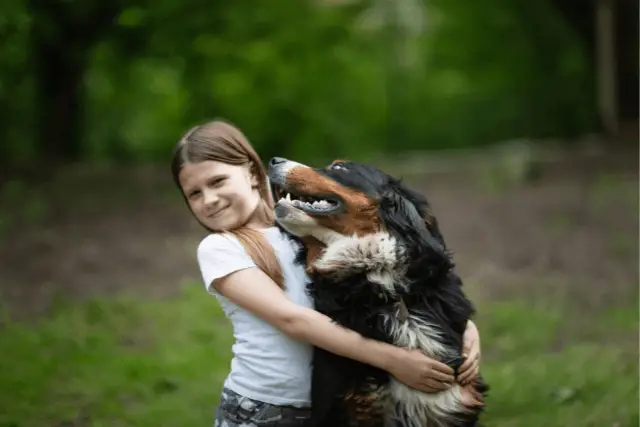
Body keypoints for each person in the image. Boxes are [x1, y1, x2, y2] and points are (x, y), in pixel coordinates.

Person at [171, 119, 482, 427]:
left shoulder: (300, 230)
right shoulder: (219, 248)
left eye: (217, 182)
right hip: (258, 410)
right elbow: (292, 320)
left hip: (321, 402)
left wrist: (463, 328)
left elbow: (384, 289)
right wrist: (393, 360)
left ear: (253, 174)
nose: (209, 200)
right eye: (194, 194)